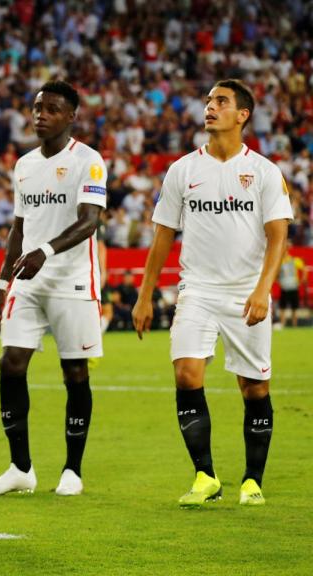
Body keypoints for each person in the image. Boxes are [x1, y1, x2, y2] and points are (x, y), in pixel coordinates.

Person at [133, 79, 293, 507]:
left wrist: (263, 289)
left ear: (242, 114)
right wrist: (145, 295)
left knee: (253, 387)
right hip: (197, 290)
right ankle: (205, 476)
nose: (210, 107)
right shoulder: (183, 170)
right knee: (186, 373)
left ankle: (252, 479)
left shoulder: (264, 171)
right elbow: (162, 236)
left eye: (220, 102)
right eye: (207, 101)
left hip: (246, 292)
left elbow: (278, 236)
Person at [0, 80, 107, 497]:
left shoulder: (88, 161)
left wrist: (46, 251)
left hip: (71, 280)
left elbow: (91, 221)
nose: (40, 115)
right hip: (27, 283)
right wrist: (2, 281)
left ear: (70, 117)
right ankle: (20, 467)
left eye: (51, 109)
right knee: (10, 364)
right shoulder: (24, 165)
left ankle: (73, 469)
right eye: (37, 108)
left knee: (74, 371)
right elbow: (18, 229)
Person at [276, 239, 305, 327]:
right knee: (285, 307)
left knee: (292, 307)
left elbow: (304, 269)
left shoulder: (293, 260)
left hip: (292, 287)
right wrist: (278, 281)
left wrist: (301, 280)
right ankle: (284, 324)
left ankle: (293, 324)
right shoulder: (281, 261)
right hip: (286, 287)